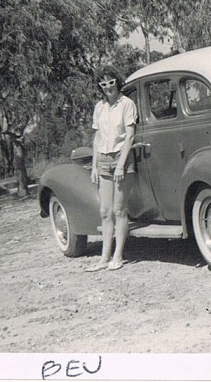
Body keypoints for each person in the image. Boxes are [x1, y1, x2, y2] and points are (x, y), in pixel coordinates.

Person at [85, 66, 138, 272]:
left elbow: (130, 136)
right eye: (103, 83)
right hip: (104, 161)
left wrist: (122, 164)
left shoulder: (127, 104)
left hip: (121, 158)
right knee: (105, 211)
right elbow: (97, 137)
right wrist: (95, 166)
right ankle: (104, 257)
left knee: (119, 209)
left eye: (111, 82)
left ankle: (118, 255)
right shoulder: (99, 107)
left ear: (117, 81)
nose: (108, 87)